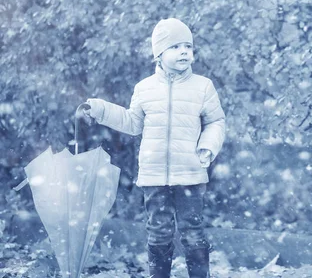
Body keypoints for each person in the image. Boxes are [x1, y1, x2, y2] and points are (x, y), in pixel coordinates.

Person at [83, 18, 226, 278]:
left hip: (190, 174)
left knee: (192, 230)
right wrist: (102, 110)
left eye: (188, 46)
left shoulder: (202, 86)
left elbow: (216, 121)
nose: (184, 52)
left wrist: (208, 145)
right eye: (175, 47)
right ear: (158, 54)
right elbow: (132, 122)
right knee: (158, 229)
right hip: (154, 175)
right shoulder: (145, 88)